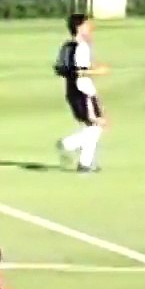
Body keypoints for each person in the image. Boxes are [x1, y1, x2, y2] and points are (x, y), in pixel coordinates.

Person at [54, 13, 108, 172]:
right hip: (83, 90)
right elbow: (80, 71)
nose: (90, 28)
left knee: (94, 126)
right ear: (79, 27)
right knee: (97, 125)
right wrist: (99, 71)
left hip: (72, 90)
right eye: (86, 25)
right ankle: (68, 144)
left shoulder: (67, 46)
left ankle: (85, 163)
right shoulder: (81, 47)